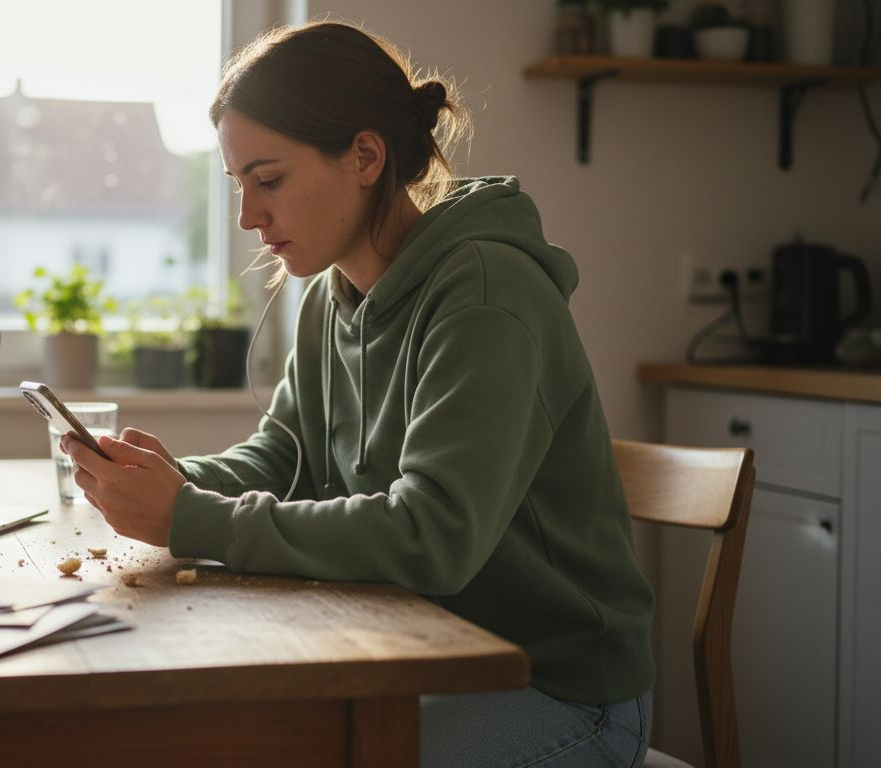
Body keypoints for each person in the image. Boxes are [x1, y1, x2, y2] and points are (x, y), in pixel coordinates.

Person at [63, 20, 654, 767]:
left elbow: (433, 534)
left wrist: (188, 516)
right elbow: (283, 456)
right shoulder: (329, 294)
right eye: (238, 185)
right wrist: (169, 481)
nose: (247, 217)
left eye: (268, 180)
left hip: (558, 690)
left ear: (366, 157)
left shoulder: (486, 294)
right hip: (406, 655)